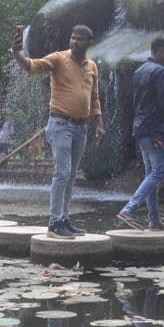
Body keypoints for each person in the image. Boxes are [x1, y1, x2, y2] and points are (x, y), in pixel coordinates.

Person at [11, 24, 104, 239]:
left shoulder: (92, 66)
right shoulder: (58, 59)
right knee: (62, 173)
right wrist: (17, 53)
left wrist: (99, 124)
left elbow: (94, 97)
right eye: (72, 38)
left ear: (89, 42)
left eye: (79, 39)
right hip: (61, 123)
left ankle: (64, 219)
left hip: (81, 127)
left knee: (70, 175)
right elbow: (31, 65)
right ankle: (54, 224)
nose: (74, 41)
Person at [118, 36, 164, 231]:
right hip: (154, 130)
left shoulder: (139, 71)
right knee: (159, 171)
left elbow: (136, 102)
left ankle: (154, 220)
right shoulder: (160, 71)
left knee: (150, 173)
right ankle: (129, 208)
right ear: (161, 50)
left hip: (140, 128)